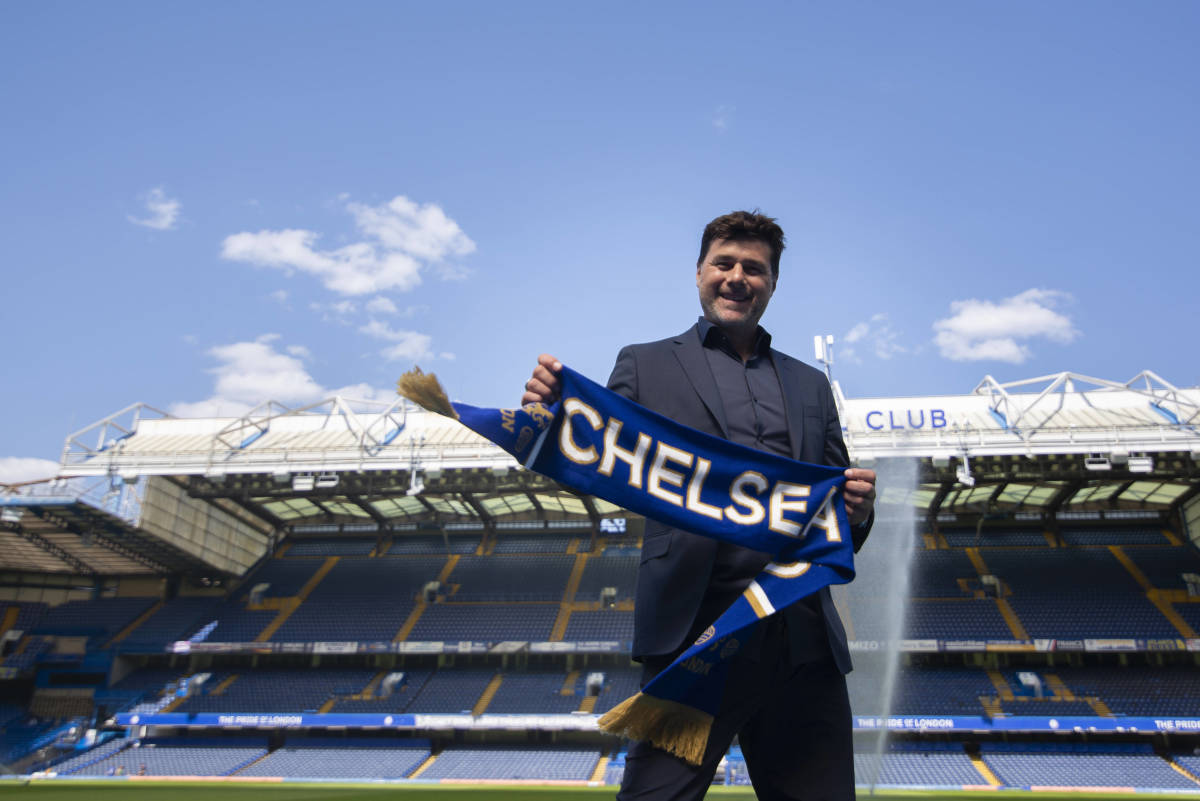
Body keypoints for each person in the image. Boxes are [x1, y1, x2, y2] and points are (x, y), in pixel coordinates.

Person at [523, 210, 876, 800]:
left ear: (772, 283)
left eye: (754, 268)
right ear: (699, 273)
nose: (738, 277)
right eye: (725, 263)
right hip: (696, 638)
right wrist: (554, 424)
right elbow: (596, 465)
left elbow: (838, 518)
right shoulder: (646, 363)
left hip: (801, 638)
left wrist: (859, 512)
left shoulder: (811, 384)